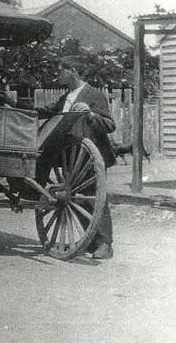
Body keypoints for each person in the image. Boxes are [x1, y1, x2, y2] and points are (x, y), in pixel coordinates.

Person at [36, 55, 116, 259]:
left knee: (94, 198)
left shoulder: (93, 95)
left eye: (61, 70)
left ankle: (105, 244)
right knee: (77, 201)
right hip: (69, 156)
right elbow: (47, 112)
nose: (58, 74)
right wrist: (12, 104)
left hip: (89, 156)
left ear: (72, 71)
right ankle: (90, 241)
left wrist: (90, 114)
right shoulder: (67, 97)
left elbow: (109, 125)